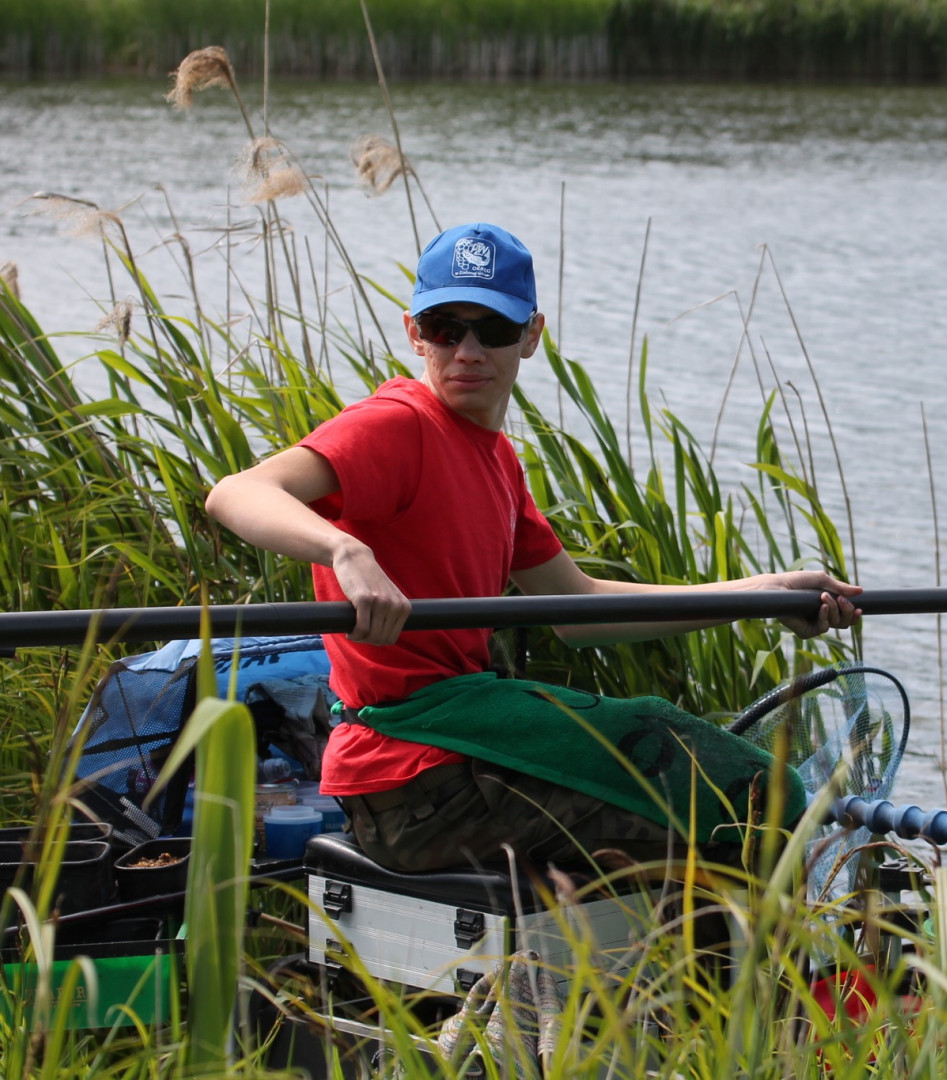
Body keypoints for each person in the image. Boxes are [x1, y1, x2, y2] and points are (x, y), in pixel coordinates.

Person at [205, 222, 860, 873]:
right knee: (739, 816)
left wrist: (763, 594)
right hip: (412, 781)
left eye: (491, 329)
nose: (467, 351)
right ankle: (744, 942)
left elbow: (579, 607)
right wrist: (343, 550)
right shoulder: (397, 426)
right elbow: (237, 493)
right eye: (444, 328)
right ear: (414, 333)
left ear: (531, 336)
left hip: (465, 749)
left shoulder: (499, 461)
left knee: (736, 789)